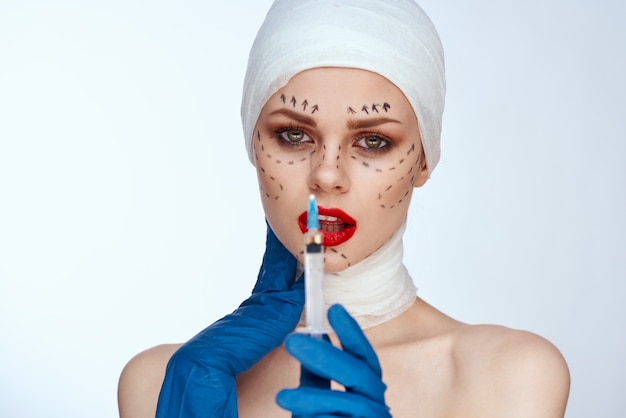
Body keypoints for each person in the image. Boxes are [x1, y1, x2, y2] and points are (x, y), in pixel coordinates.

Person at [118, 0, 570, 417]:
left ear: (424, 161)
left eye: (374, 141)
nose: (327, 174)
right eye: (293, 135)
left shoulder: (508, 377)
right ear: (252, 144)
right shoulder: (161, 382)